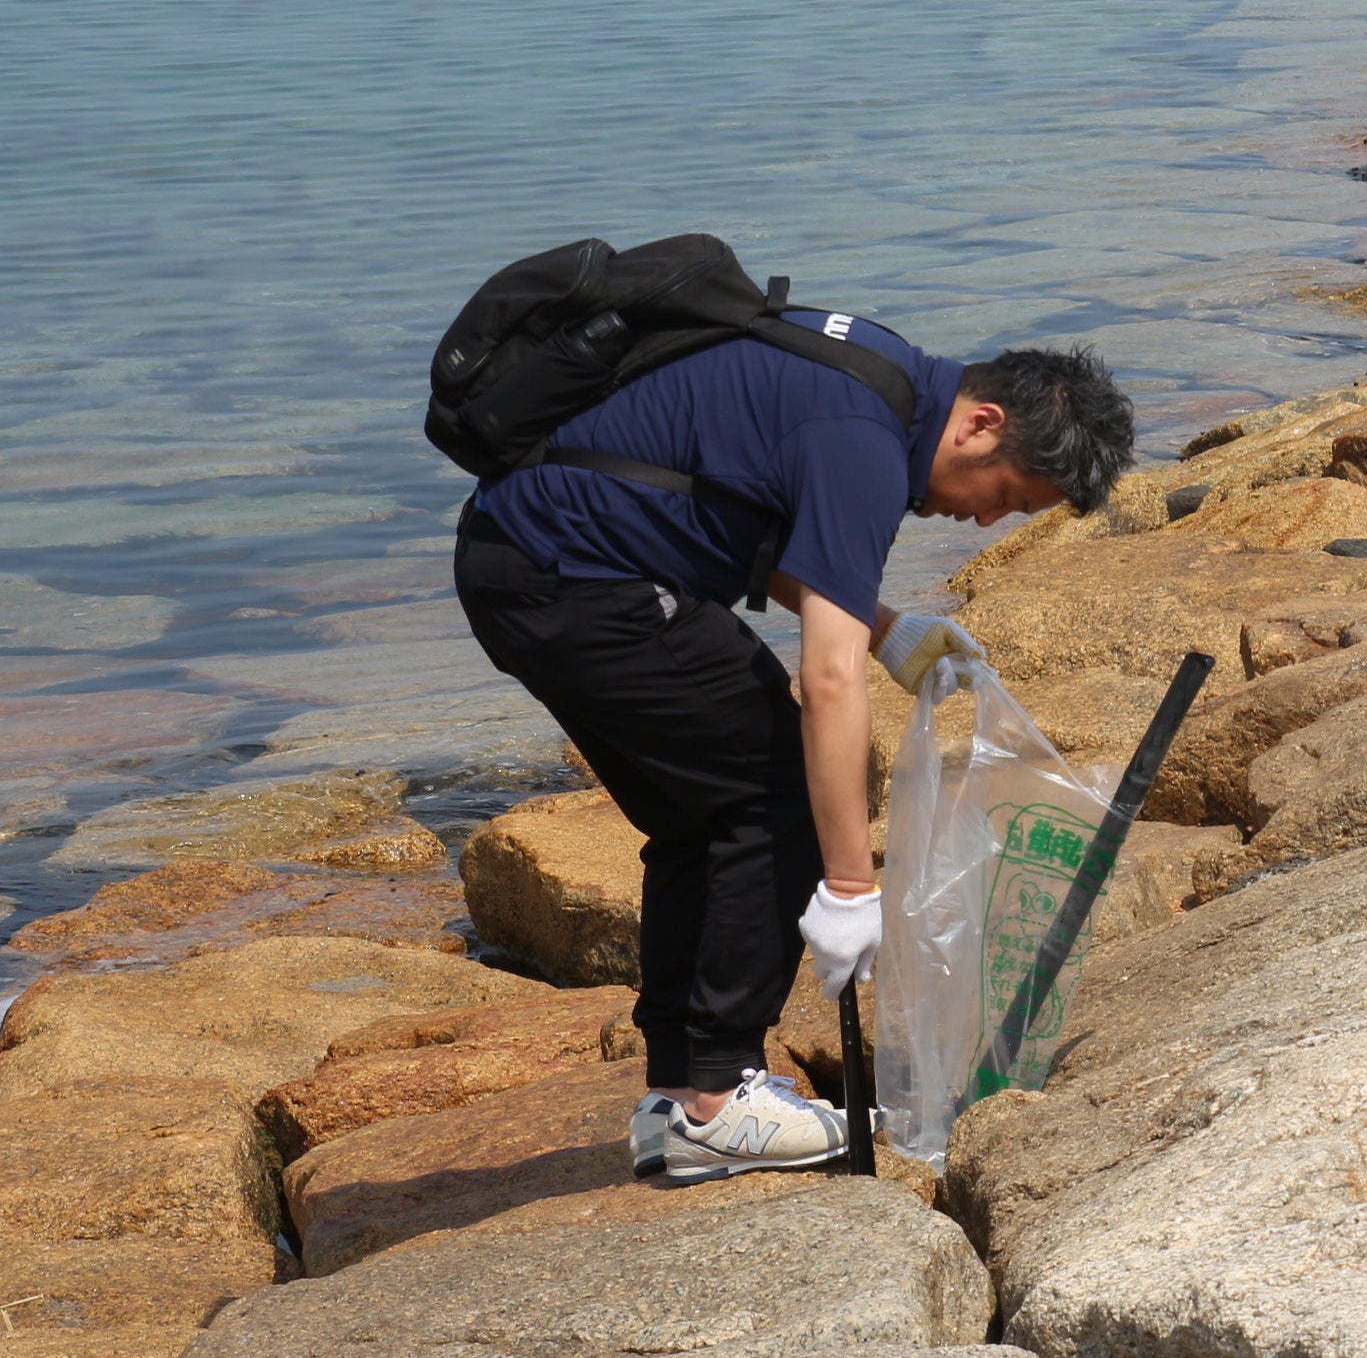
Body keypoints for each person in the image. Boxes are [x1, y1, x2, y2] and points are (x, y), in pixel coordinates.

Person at [453, 318, 1135, 1180]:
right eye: (1005, 495)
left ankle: (682, 1097)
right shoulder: (867, 444)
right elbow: (827, 683)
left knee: (701, 813)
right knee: (773, 789)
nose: (984, 519)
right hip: (579, 575)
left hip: (523, 558)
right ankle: (716, 1102)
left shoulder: (874, 379)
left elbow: (728, 504)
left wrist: (887, 629)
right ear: (982, 424)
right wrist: (851, 885)